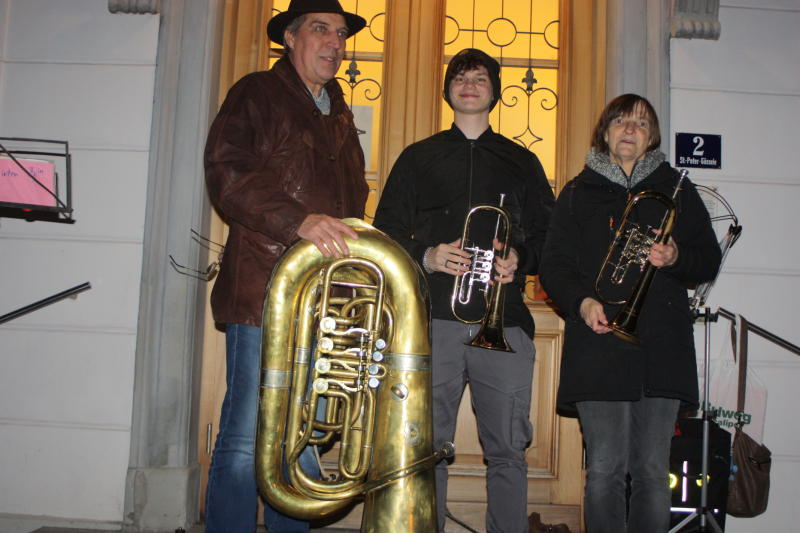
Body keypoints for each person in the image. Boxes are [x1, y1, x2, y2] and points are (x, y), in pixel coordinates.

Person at [374, 48, 555, 533]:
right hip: (434, 319)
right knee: (427, 446)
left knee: (508, 450)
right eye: (460, 77)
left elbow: (550, 238)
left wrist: (521, 259)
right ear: (447, 89)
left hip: (504, 321)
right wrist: (427, 255)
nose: (470, 84)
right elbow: (385, 231)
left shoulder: (522, 161)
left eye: (480, 78)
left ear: (494, 92)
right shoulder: (418, 157)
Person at [203, 1, 368, 531]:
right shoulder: (256, 92)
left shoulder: (339, 112)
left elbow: (351, 205)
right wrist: (298, 221)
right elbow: (226, 173)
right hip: (264, 292)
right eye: (321, 30)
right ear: (290, 38)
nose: (335, 43)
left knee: (303, 437)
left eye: (340, 34)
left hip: (325, 298)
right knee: (245, 437)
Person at [538, 94, 722, 533]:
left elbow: (708, 259)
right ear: (604, 132)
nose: (629, 130)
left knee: (653, 473)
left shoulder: (676, 189)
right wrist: (582, 301)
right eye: (620, 121)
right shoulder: (577, 192)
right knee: (604, 469)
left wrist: (676, 256)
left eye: (640, 124)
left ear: (651, 137)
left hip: (662, 347)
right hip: (599, 343)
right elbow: (553, 265)